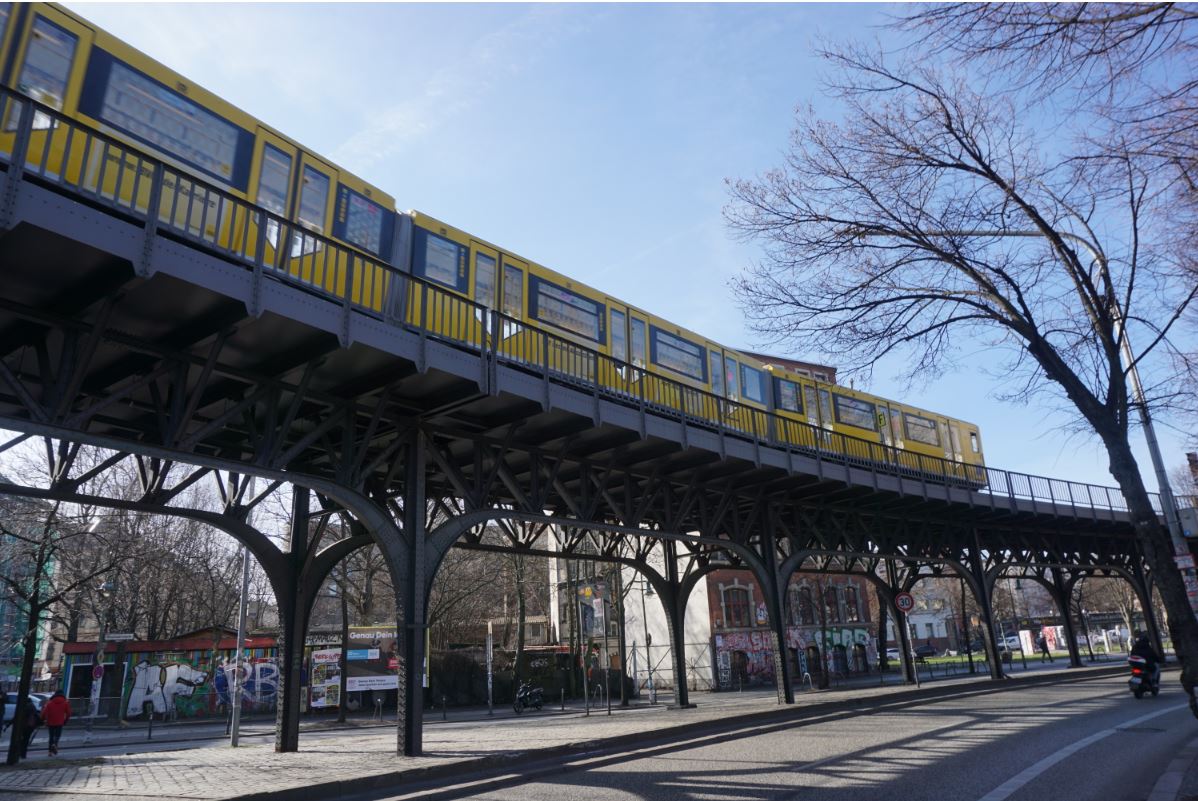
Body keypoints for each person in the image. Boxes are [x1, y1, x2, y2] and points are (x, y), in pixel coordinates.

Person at [41, 690, 70, 756]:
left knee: (51, 736)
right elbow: (68, 713)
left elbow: (44, 712)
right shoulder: (65, 702)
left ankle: (49, 752)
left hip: (50, 722)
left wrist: (42, 720)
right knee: (57, 735)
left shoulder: (50, 702)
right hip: (60, 722)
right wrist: (65, 721)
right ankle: (54, 745)